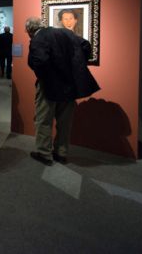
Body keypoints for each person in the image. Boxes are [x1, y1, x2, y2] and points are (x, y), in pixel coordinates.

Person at [25, 17, 100, 165]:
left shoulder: (38, 38)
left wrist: (46, 77)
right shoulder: (66, 33)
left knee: (43, 119)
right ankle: (61, 153)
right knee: (65, 121)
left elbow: (39, 62)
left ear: (30, 30)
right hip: (69, 84)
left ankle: (44, 153)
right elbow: (86, 45)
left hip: (49, 85)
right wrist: (75, 67)